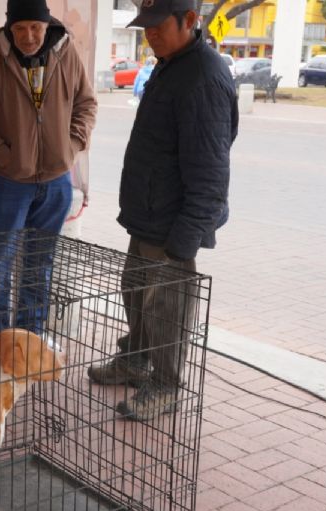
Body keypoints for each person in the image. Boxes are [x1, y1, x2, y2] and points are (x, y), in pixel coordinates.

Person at [87, 0, 238, 421]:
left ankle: (167, 384)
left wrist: (185, 238)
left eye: (158, 26)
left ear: (190, 21)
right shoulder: (171, 63)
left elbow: (211, 171)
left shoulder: (204, 77)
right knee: (135, 293)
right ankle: (135, 360)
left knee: (167, 307)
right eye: (146, 26)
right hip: (148, 213)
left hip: (174, 224)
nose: (149, 34)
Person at [0, 0, 97, 347]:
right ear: (10, 28)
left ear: (47, 24)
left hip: (56, 180)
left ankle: (30, 335)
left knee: (40, 263)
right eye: (20, 28)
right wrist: (3, 155)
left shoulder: (66, 52)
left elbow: (86, 103)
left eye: (35, 27)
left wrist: (72, 143)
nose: (28, 36)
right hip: (10, 181)